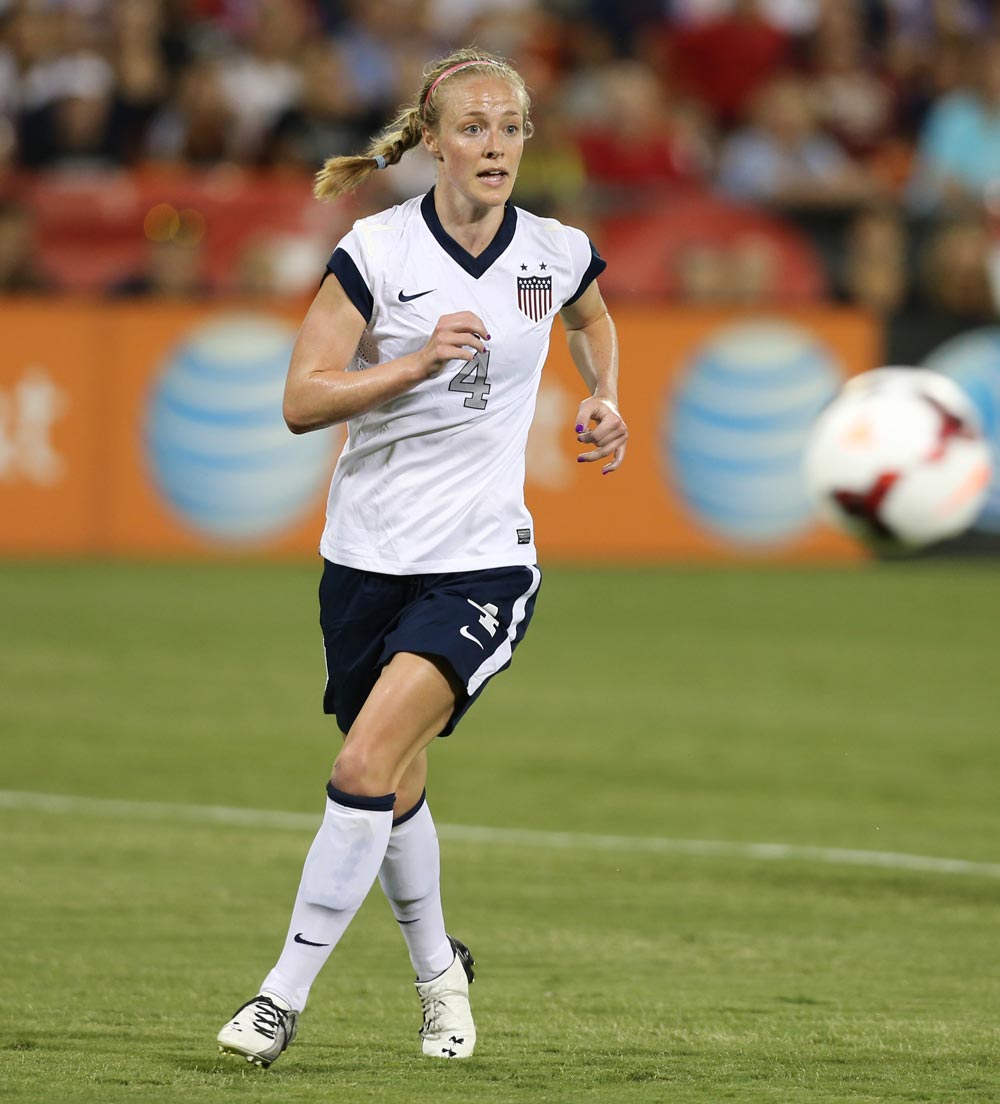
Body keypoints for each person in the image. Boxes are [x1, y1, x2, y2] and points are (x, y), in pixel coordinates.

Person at [215, 45, 627, 1068]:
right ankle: (443, 979)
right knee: (392, 781)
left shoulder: (555, 248)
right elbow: (302, 399)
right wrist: (410, 363)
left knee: (360, 762)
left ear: (528, 138)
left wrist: (603, 394)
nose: (495, 145)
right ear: (432, 142)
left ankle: (279, 998)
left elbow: (592, 315)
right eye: (474, 127)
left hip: (484, 559)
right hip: (365, 555)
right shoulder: (378, 251)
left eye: (511, 126)